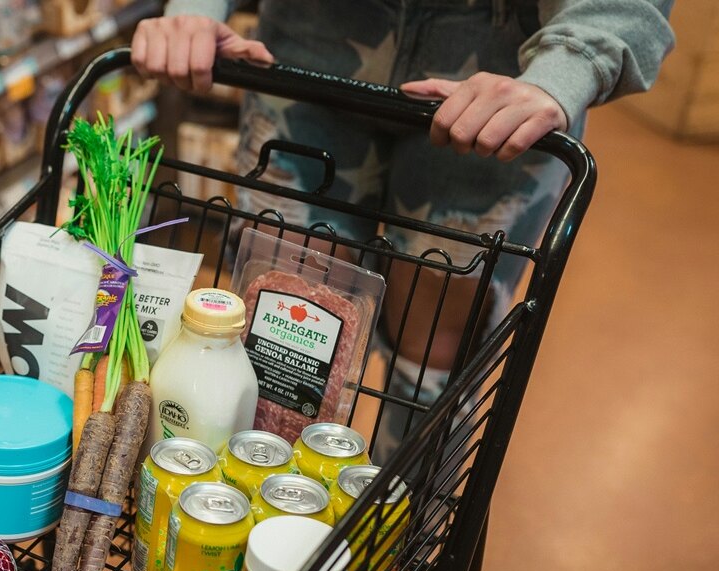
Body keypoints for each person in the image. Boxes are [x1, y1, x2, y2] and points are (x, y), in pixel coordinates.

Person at [132, 0, 673, 461]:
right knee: (282, 326)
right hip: (307, 39)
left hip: (504, 69)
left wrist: (569, 65)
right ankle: (257, 509)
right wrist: (195, 10)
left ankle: (394, 530)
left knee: (438, 348)